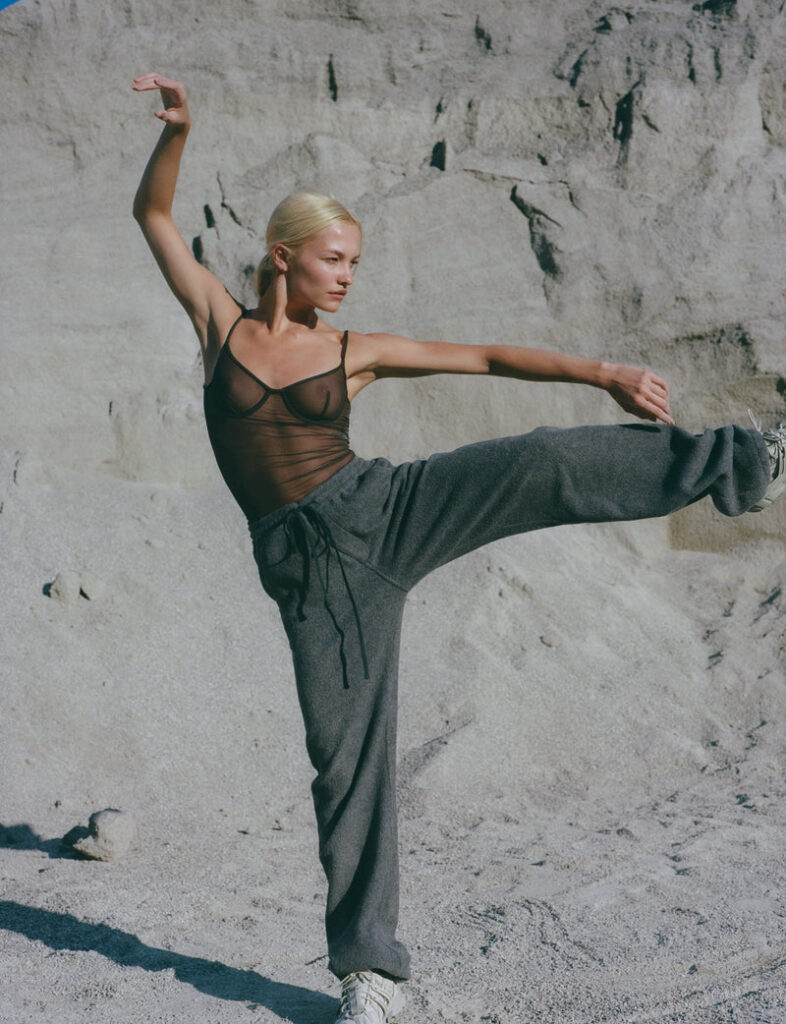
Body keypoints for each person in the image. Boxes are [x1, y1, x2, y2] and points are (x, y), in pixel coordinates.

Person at [132, 72, 785, 1024]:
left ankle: (745, 457)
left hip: (387, 508)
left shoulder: (354, 348)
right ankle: (372, 975)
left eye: (355, 261)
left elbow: (481, 358)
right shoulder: (219, 325)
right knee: (345, 766)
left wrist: (600, 371)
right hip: (314, 584)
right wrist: (178, 134)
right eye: (335, 258)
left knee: (537, 462)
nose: (348, 274)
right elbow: (152, 212)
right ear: (283, 258)